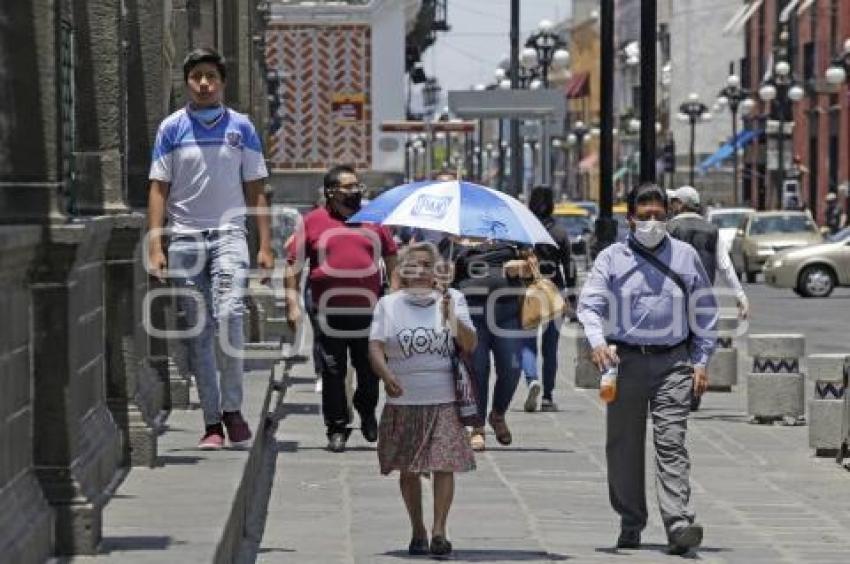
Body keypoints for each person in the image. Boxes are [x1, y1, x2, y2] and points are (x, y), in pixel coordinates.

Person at [577, 183, 718, 556]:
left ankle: (678, 523)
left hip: (674, 361)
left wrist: (701, 361)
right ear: (630, 218)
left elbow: (705, 312)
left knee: (672, 442)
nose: (652, 222)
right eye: (645, 216)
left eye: (659, 215)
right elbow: (589, 305)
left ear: (669, 217)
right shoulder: (611, 257)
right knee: (623, 446)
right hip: (624, 362)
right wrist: (596, 343)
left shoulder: (686, 256)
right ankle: (630, 520)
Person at [147, 48, 272, 450]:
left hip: (229, 235)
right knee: (199, 333)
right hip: (183, 238)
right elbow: (158, 188)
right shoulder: (171, 128)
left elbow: (255, 188)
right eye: (197, 76)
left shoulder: (241, 128)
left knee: (230, 313)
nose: (203, 83)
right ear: (187, 82)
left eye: (211, 77)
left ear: (221, 82)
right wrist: (155, 244)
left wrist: (265, 245)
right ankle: (213, 422)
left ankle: (233, 407)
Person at [369, 242, 477, 558]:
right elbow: (375, 346)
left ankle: (439, 531)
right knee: (409, 469)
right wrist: (386, 375)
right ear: (401, 270)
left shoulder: (452, 299)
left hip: (443, 397)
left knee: (445, 464)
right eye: (411, 265)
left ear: (435, 271)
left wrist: (452, 318)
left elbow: (470, 344)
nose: (418, 271)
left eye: (425, 265)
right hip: (404, 398)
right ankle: (417, 528)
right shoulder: (388, 304)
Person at [284, 164, 398, 453]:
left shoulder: (374, 219)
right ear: (331, 192)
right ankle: (336, 427)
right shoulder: (312, 221)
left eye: (356, 186)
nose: (354, 191)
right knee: (333, 369)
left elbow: (392, 258)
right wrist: (292, 303)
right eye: (347, 187)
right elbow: (293, 266)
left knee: (370, 367)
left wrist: (396, 297)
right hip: (327, 309)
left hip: (369, 308)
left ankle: (367, 409)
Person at [668, 186, 747, 411]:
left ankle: (679, 391)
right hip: (703, 297)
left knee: (676, 345)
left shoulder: (670, 228)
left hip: (676, 298)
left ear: (681, 204)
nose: (671, 205)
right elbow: (725, 266)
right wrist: (740, 296)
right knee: (700, 345)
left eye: (674, 201)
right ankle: (694, 392)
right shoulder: (712, 230)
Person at [451, 236, 525, 451]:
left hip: (507, 311)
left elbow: (533, 268)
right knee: (477, 369)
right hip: (472, 312)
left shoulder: (512, 241)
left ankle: (498, 414)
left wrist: (521, 266)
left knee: (512, 367)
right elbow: (446, 275)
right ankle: (477, 426)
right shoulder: (456, 244)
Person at [520, 186, 573, 412]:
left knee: (527, 341)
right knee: (551, 347)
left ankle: (532, 378)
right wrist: (570, 293)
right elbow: (569, 265)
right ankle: (548, 396)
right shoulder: (559, 231)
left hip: (528, 290)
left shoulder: (523, 229)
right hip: (554, 289)